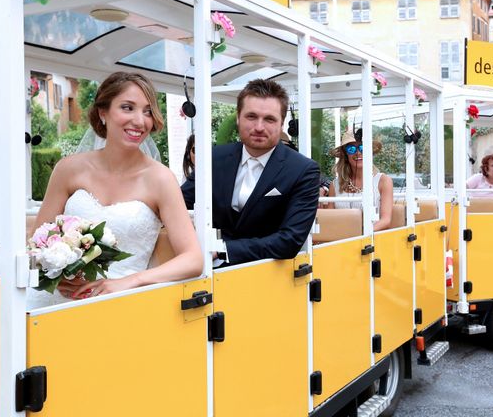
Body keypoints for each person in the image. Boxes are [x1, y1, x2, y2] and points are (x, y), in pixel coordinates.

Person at [27, 72, 203, 308]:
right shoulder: (68, 169)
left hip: (124, 300)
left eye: (148, 111)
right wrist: (56, 274)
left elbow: (193, 259)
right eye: (128, 108)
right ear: (103, 113)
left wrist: (132, 281)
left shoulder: (160, 179)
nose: (140, 121)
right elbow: (38, 243)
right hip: (56, 300)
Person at [181, 79, 320, 266]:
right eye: (251, 116)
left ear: (281, 123)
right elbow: (179, 201)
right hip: (206, 275)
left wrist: (223, 249)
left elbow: (289, 240)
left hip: (268, 278)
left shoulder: (302, 170)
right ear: (238, 117)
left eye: (269, 119)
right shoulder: (214, 158)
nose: (259, 127)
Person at [327, 131, 393, 231]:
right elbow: (329, 220)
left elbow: (386, 221)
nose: (358, 152)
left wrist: (359, 235)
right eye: (351, 149)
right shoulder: (335, 185)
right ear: (345, 155)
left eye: (362, 148)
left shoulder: (383, 181)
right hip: (340, 240)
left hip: (371, 241)